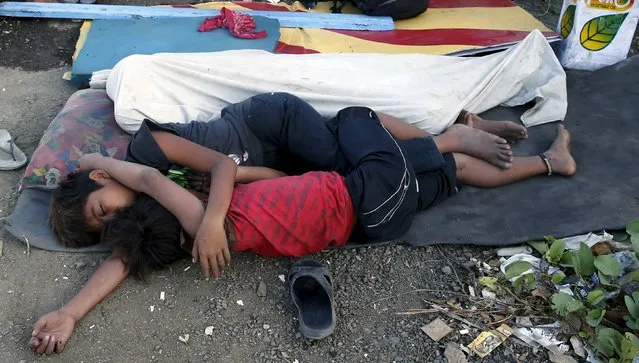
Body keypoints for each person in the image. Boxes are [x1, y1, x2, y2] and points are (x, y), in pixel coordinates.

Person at [32, 106, 575, 354]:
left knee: (446, 176)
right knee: (360, 118)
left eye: (104, 214)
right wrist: (90, 164)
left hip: (372, 223)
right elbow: (150, 180)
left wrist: (70, 311)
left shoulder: (206, 226)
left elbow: (124, 257)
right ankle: (455, 134)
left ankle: (549, 164)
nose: (114, 222)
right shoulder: (201, 220)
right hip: (365, 194)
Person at [51, 92, 531, 281]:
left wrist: (215, 217)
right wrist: (71, 315)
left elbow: (219, 165)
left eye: (102, 210)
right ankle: (497, 151)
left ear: (100, 178)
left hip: (269, 124)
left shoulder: (147, 154)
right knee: (360, 161)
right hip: (287, 173)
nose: (116, 218)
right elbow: (124, 255)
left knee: (355, 140)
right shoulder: (163, 214)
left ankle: (453, 134)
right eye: (108, 228)